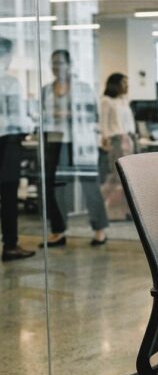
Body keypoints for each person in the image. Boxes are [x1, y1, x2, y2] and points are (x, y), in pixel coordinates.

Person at [40, 49, 109, 247]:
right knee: (57, 187)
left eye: (60, 63)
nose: (56, 67)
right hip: (56, 141)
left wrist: (65, 114)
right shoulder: (46, 89)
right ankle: (58, 231)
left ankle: (99, 229)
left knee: (89, 185)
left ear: (70, 65)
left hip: (81, 142)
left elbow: (92, 115)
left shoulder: (83, 88)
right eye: (53, 63)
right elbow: (42, 116)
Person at [0, 37, 34, 261]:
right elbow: (16, 116)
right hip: (7, 141)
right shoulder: (9, 82)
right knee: (9, 195)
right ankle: (10, 245)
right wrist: (30, 125)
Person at [99, 72, 136, 221]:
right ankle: (112, 211)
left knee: (128, 177)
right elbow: (103, 122)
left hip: (128, 139)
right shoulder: (106, 101)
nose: (126, 87)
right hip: (115, 140)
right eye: (123, 83)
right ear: (115, 85)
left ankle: (127, 210)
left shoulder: (123, 101)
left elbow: (129, 122)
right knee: (117, 176)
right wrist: (105, 138)